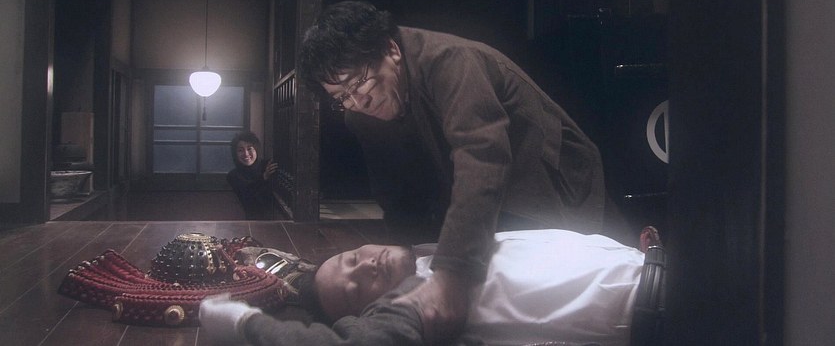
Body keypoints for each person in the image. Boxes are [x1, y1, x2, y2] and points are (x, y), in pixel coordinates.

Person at [296, 1, 608, 339]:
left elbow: (482, 157)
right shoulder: (360, 115)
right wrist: (408, 270)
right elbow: (397, 197)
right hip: (488, 195)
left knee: (578, 289)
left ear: (391, 50)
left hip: (550, 178)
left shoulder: (452, 61)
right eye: (341, 96)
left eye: (360, 82)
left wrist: (450, 274)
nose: (359, 102)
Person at [199, 229, 661, 345]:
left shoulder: (429, 251)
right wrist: (244, 325)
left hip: (652, 263)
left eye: (352, 258)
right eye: (356, 290)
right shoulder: (417, 298)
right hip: (660, 305)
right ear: (369, 312)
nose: (366, 267)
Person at [227, 131, 278, 220]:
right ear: (235, 154)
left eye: (249, 148)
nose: (246, 154)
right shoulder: (233, 175)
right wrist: (264, 177)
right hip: (252, 221)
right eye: (240, 150)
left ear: (256, 150)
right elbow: (248, 198)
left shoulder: (269, 165)